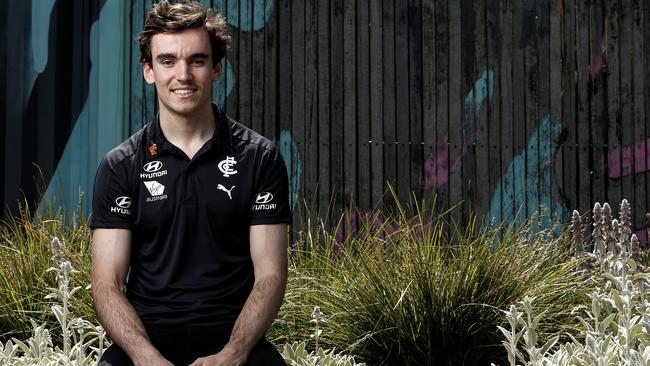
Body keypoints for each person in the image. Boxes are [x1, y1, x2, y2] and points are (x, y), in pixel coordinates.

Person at [89, 1, 291, 365]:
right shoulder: (121, 166)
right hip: (145, 341)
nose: (182, 74)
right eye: (167, 61)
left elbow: (271, 275)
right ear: (148, 70)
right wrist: (143, 355)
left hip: (233, 342)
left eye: (196, 60)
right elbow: (106, 283)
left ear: (215, 68)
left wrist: (234, 352)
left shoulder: (259, 158)